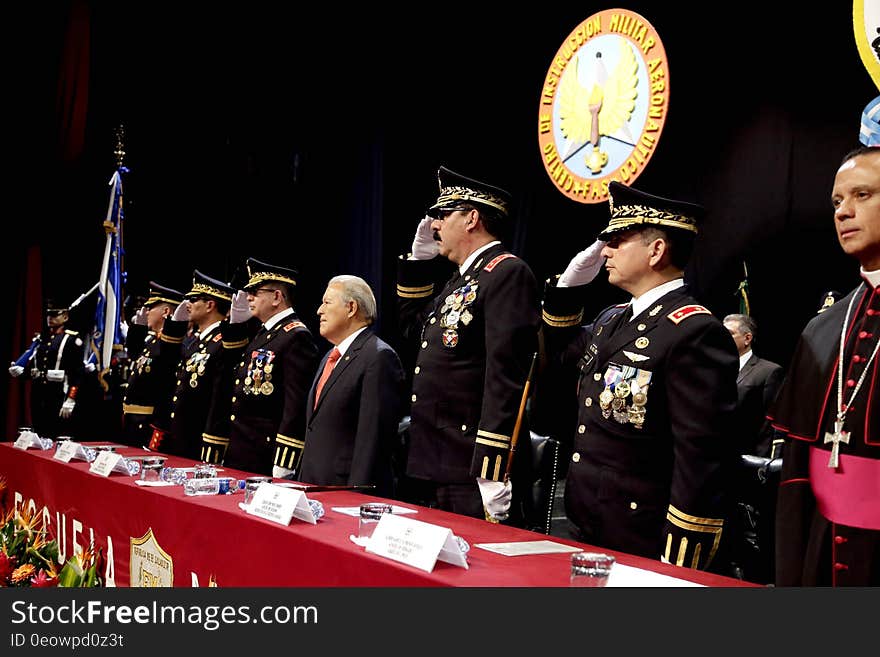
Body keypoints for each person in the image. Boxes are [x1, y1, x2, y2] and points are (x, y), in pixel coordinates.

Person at [540, 180, 739, 572]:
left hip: (643, 533)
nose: (606, 251)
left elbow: (700, 455)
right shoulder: (614, 318)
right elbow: (560, 350)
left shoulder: (693, 329)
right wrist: (568, 287)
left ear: (657, 250)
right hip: (589, 519)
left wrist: (681, 553)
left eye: (618, 240)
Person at [397, 165, 540, 525]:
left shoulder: (506, 272)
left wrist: (492, 470)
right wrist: (417, 263)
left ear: (472, 218)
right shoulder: (460, 282)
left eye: (444, 215)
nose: (434, 226)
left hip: (469, 466)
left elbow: (504, 375)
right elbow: (415, 331)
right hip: (434, 458)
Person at [769, 144, 880, 586]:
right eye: (837, 201)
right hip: (819, 552)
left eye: (863, 195)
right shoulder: (823, 328)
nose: (843, 212)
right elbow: (795, 476)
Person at [294, 275, 406, 497]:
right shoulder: (329, 357)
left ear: (351, 307)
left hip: (345, 493)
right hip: (314, 487)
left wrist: (355, 498)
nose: (319, 310)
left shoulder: (378, 356)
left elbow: (372, 441)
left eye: (327, 302)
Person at [218, 257, 320, 476]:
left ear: (276, 297)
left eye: (256, 291)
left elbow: (295, 404)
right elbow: (232, 372)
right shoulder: (263, 332)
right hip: (242, 448)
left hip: (265, 454)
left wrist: (285, 459)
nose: (249, 297)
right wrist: (235, 326)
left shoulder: (295, 336)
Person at [148, 270, 248, 460]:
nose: (188, 304)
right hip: (179, 435)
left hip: (198, 440)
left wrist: (213, 443)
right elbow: (165, 373)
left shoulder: (222, 344)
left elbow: (221, 396)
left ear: (210, 305)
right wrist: (174, 328)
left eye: (194, 299)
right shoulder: (196, 342)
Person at [8, 300, 86, 439]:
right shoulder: (41, 340)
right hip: (39, 394)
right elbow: (36, 368)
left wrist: (71, 398)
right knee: (40, 433)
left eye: (55, 315)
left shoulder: (71, 340)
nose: (50, 318)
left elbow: (77, 373)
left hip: (58, 394)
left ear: (65, 317)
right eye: (48, 315)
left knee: (57, 434)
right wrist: (21, 373)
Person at [120, 282, 184, 447]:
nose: (145, 311)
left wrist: (159, 430)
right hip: (133, 420)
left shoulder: (174, 344)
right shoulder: (152, 340)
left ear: (166, 311)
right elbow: (134, 354)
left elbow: (166, 386)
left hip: (150, 423)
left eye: (151, 307)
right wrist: (138, 329)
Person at [722, 313, 784, 458]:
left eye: (729, 334)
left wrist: (762, 461)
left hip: (748, 456)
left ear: (747, 338)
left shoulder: (769, 371)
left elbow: (770, 422)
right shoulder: (714, 369)